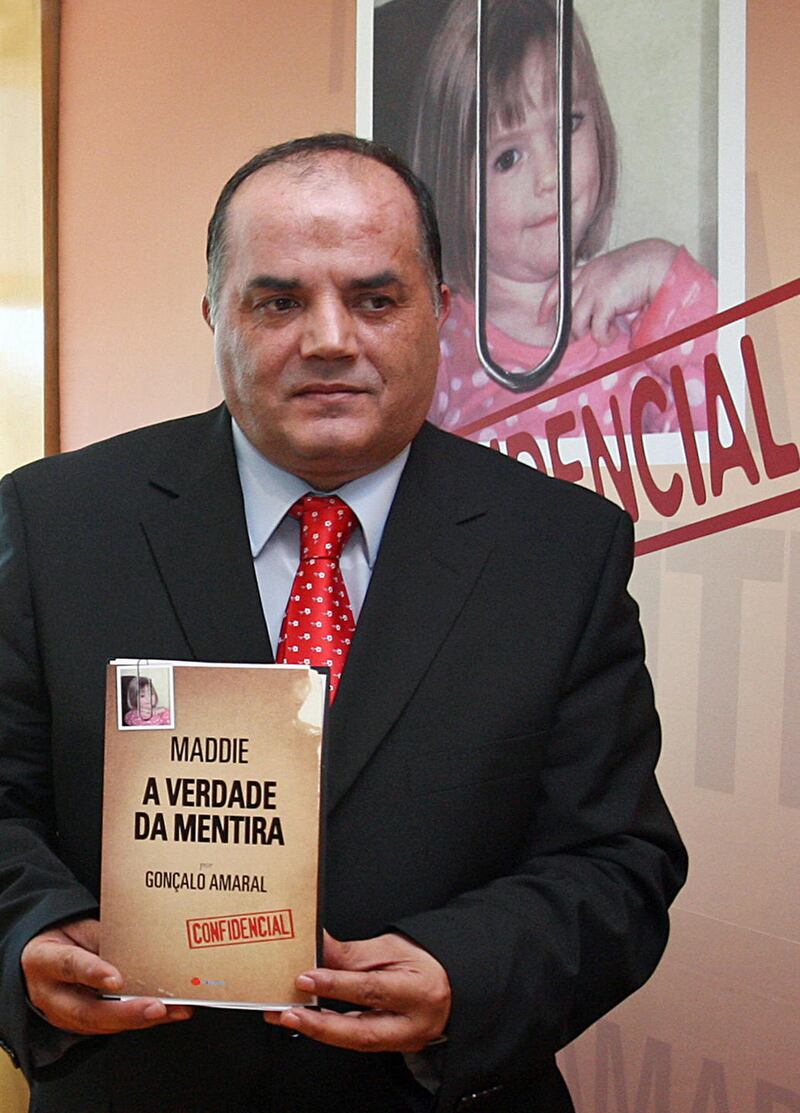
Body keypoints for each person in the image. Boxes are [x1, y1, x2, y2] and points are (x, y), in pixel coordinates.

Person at [0, 133, 686, 1112]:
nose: (327, 338)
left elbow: (617, 861)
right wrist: (27, 932)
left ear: (440, 316)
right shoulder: (56, 523)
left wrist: (465, 972)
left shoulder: (558, 549)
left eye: (374, 298)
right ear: (213, 316)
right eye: (276, 300)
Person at [412, 0, 717, 443]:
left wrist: (665, 273)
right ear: (451, 186)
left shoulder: (643, 310)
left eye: (569, 124)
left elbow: (736, 431)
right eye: (508, 158)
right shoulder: (434, 347)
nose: (552, 175)